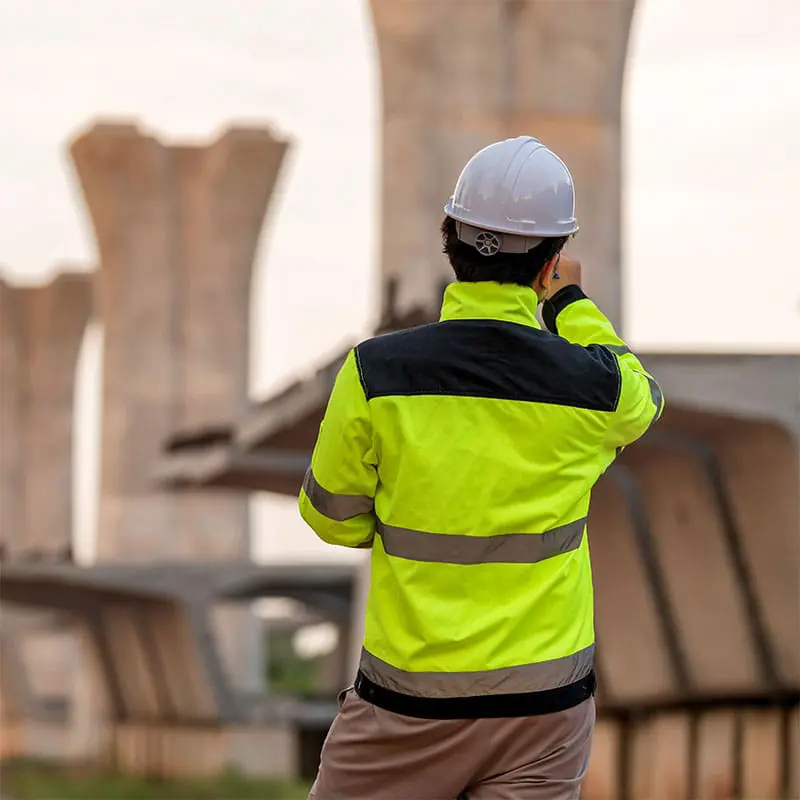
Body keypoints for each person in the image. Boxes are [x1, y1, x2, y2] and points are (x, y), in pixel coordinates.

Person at [299, 136, 664, 800]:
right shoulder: (592, 388)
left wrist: (395, 525)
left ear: (451, 239)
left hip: (407, 704)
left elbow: (329, 516)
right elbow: (642, 396)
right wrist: (572, 304)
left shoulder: (375, 373)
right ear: (552, 260)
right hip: (543, 708)